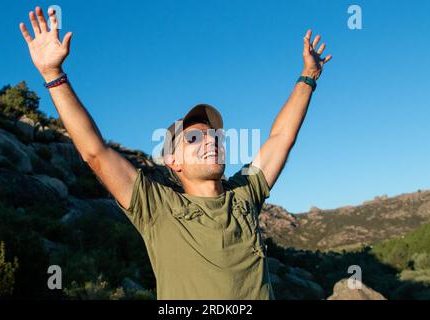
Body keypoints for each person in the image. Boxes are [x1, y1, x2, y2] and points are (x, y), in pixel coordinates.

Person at [19, 6, 332, 300]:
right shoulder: (157, 207)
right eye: (194, 138)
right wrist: (52, 74)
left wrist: (308, 77)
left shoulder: (245, 193)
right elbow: (95, 152)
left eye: (215, 137)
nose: (211, 142)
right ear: (173, 160)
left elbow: (281, 137)